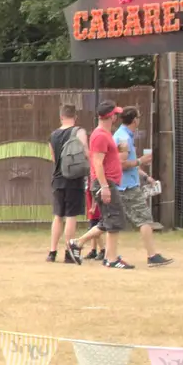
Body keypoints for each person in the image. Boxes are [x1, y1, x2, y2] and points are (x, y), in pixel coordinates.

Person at [115, 106, 172, 267]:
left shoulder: (124, 136)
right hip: (127, 187)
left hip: (126, 185)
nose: (139, 119)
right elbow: (122, 164)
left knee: (109, 222)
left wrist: (146, 176)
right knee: (145, 219)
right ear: (135, 120)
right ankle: (152, 256)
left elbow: (129, 163)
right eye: (139, 117)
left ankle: (78, 242)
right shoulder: (123, 139)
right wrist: (142, 161)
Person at [83, 100, 131, 269]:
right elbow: (97, 163)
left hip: (107, 182)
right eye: (115, 114)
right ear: (111, 116)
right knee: (115, 220)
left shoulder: (104, 134)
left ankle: (80, 245)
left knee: (110, 220)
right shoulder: (101, 135)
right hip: (105, 183)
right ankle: (111, 259)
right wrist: (104, 187)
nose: (117, 116)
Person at [48, 103, 86, 264]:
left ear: (61, 117)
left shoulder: (53, 135)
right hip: (73, 178)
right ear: (75, 117)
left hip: (57, 179)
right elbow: (85, 152)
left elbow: (53, 158)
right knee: (71, 216)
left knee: (58, 216)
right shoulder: (79, 131)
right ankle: (69, 252)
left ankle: (52, 252)